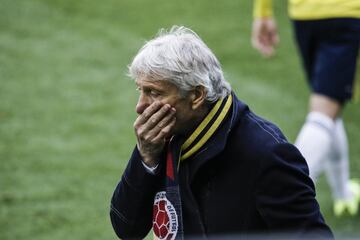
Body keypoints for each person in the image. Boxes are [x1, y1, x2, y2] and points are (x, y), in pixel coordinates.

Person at [110, 26, 333, 239]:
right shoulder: (164, 135)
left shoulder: (266, 154)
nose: (140, 106)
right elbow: (127, 228)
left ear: (197, 95)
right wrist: (146, 157)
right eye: (141, 90)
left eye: (154, 92)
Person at [252, 0, 360, 217]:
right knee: (325, 109)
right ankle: (282, 200)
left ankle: (343, 196)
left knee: (329, 105)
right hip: (347, 12)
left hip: (304, 15)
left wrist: (262, 13)